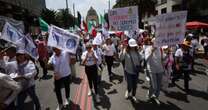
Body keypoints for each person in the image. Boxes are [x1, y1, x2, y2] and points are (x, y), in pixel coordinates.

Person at [145, 38, 164, 105]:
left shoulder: (160, 49)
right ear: (152, 43)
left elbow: (162, 59)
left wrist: (167, 55)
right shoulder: (148, 49)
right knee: (154, 86)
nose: (157, 44)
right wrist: (151, 52)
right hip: (152, 70)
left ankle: (155, 96)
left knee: (159, 86)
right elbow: (146, 59)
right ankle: (148, 95)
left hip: (160, 69)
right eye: (155, 42)